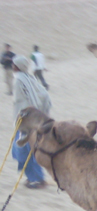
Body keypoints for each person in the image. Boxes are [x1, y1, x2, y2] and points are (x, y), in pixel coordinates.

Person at [11, 55, 52, 189]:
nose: (12, 66)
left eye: (14, 64)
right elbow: (43, 95)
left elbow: (24, 101)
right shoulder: (29, 78)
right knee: (23, 150)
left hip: (25, 122)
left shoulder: (19, 80)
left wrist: (27, 114)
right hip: (29, 120)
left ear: (17, 66)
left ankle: (38, 180)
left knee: (25, 150)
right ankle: (31, 177)